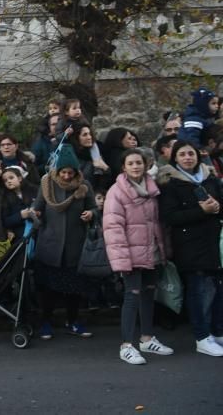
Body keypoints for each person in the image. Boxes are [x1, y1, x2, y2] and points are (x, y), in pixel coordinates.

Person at [103, 149, 173, 365]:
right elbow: (113, 228)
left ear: (145, 165)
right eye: (131, 163)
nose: (135, 166)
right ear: (124, 167)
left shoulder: (152, 189)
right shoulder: (117, 192)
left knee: (148, 294)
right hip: (130, 254)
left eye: (139, 163)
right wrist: (121, 260)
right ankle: (126, 346)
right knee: (132, 296)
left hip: (151, 252)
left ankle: (146, 338)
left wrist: (163, 251)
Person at [157, 140, 223, 356]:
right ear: (175, 158)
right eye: (183, 154)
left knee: (217, 291)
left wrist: (217, 207)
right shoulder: (170, 184)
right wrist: (201, 210)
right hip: (190, 246)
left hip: (213, 243)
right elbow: (170, 217)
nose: (187, 157)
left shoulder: (210, 179)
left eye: (191, 154)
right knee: (199, 292)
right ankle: (202, 337)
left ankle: (217, 332)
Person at [31, 148, 97, 341]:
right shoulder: (47, 184)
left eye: (70, 173)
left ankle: (73, 321)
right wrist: (37, 215)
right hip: (49, 245)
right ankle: (45, 322)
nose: (67, 176)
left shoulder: (84, 186)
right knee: (48, 290)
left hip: (74, 245)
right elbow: (37, 208)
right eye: (63, 172)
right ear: (57, 171)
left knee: (74, 290)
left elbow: (93, 207)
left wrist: (91, 214)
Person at [178, 87, 220, 151]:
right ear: (203, 105)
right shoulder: (194, 119)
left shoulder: (203, 118)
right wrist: (198, 150)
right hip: (190, 150)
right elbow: (192, 137)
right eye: (213, 103)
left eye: (217, 103)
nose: (217, 106)